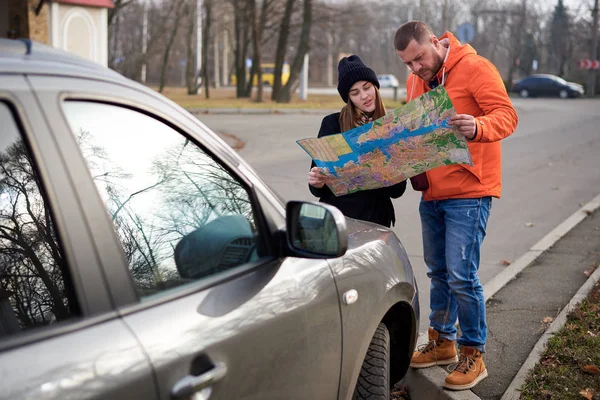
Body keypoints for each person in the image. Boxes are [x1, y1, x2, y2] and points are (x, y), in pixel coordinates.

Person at [393, 21, 518, 390]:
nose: (416, 68)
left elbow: (507, 116)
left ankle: (473, 355)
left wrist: (476, 126)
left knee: (462, 274)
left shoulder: (475, 68)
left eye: (419, 58)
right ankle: (442, 341)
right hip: (432, 192)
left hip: (470, 190)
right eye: (408, 64)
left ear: (435, 41)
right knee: (439, 272)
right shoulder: (416, 81)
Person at [308, 55, 406, 228]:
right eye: (355, 93)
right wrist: (317, 181)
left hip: (376, 223)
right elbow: (317, 190)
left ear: (375, 86)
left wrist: (385, 166)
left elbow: (397, 191)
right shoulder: (332, 124)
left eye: (367, 88)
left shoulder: (391, 127)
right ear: (348, 98)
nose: (364, 96)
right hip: (338, 223)